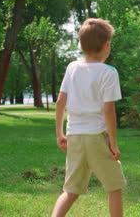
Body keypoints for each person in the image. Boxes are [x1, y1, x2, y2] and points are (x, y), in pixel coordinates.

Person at [51, 18, 126, 217]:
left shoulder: (72, 67)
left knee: (71, 190)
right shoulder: (108, 72)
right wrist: (113, 143)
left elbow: (60, 102)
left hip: (74, 136)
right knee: (114, 187)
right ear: (106, 45)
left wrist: (59, 134)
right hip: (96, 137)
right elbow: (108, 111)